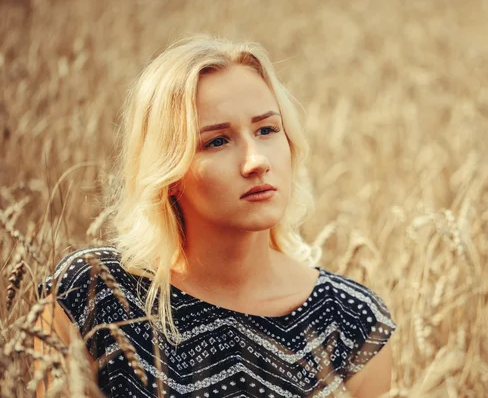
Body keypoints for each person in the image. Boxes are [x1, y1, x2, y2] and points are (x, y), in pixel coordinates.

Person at [35, 34, 397, 397]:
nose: (256, 161)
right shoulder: (90, 294)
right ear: (169, 172)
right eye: (217, 141)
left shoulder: (351, 321)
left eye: (267, 130)